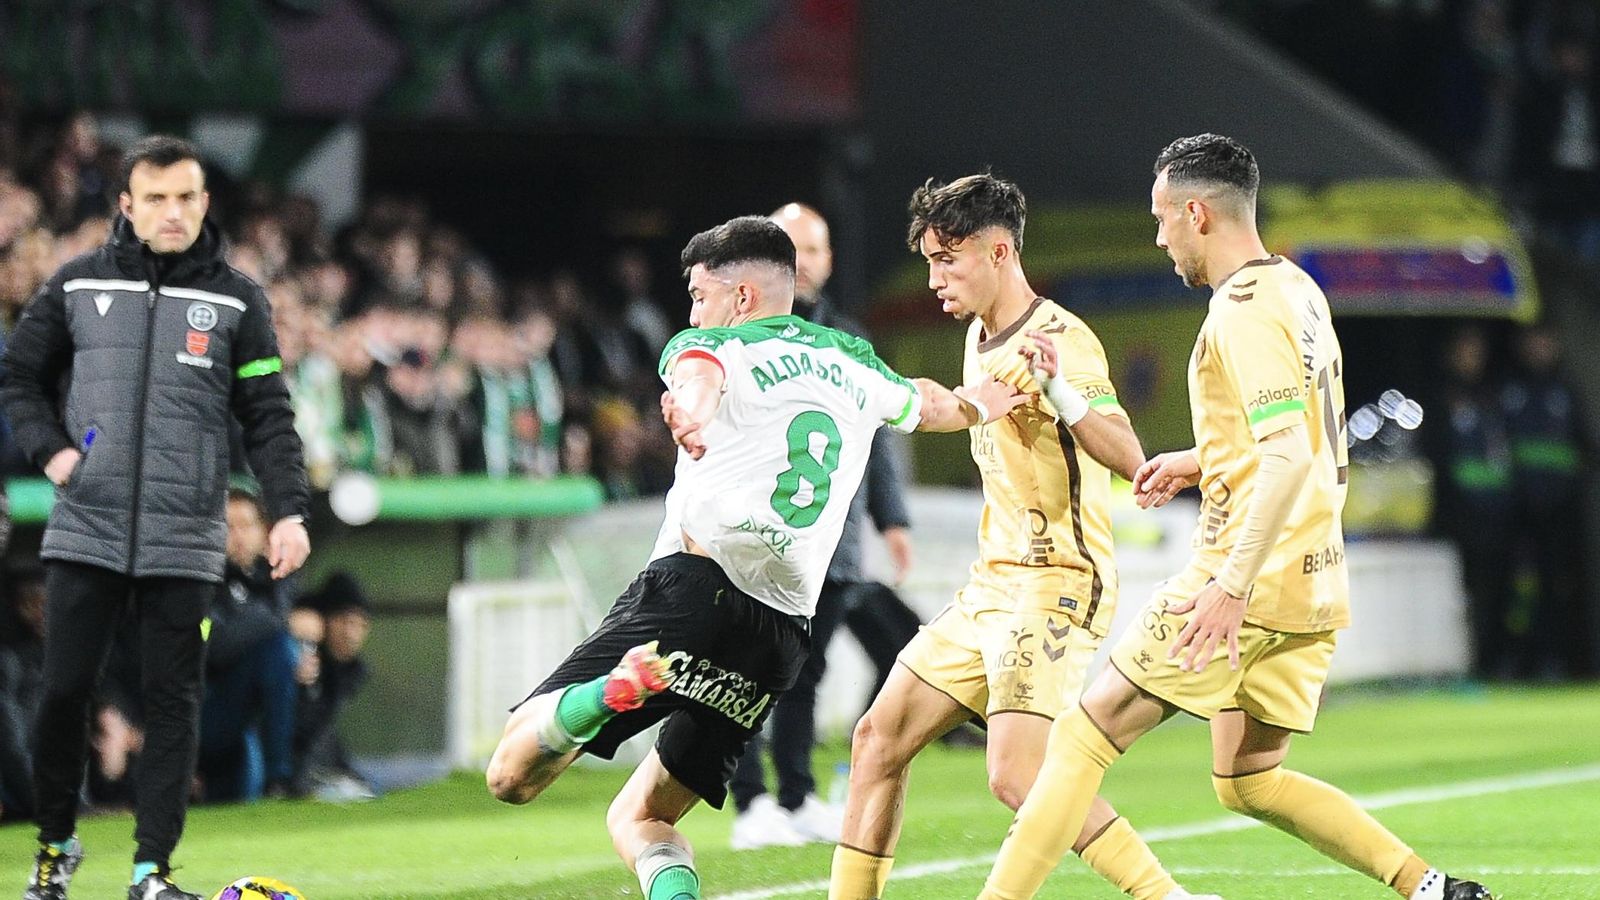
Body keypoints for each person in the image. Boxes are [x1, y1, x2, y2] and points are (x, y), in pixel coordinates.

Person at [976, 134, 1493, 900]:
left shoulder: (1241, 311)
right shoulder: (1298, 288)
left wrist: (1231, 585)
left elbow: (1286, 455)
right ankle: (1430, 888)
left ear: (1197, 214)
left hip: (1245, 576)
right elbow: (1297, 432)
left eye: (1162, 219)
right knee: (1249, 777)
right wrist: (1203, 458)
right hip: (1314, 582)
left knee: (1080, 738)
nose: (1159, 238)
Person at [482, 215, 1025, 900]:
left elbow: (699, 377)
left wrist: (691, 411)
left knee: (511, 773)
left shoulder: (712, 345)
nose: (693, 312)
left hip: (695, 588)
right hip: (778, 636)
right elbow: (933, 404)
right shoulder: (854, 360)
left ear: (741, 297)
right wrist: (987, 402)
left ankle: (608, 693)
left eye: (699, 295)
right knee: (644, 817)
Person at [831, 174, 1207, 900]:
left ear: (999, 252)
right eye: (930, 262)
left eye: (948, 260)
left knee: (1017, 776)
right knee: (878, 740)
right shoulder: (978, 335)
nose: (934, 279)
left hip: (1058, 581)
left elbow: (1128, 453)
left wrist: (1060, 392)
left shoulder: (1060, 339)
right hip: (992, 585)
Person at [0, 135, 311, 900]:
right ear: (127, 205)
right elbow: (18, 377)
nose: (172, 212)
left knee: (175, 704)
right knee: (63, 693)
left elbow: (269, 417)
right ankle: (55, 847)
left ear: (204, 203)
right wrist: (53, 453)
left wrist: (288, 511)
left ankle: (151, 873)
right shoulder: (77, 283)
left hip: (186, 537)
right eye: (156, 198)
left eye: (185, 198)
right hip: (86, 529)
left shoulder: (238, 300)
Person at [728, 203, 926, 850]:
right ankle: (751, 802)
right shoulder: (741, 337)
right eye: (790, 248)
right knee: (747, 672)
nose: (803, 262)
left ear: (830, 259)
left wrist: (891, 521)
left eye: (812, 249)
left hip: (834, 544)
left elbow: (878, 437)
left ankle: (795, 795)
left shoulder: (847, 338)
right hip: (761, 539)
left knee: (803, 675)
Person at [196, 486, 302, 802]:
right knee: (279, 647)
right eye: (228, 526)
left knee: (283, 653)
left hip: (248, 713)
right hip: (204, 709)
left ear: (263, 531)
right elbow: (212, 643)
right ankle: (279, 776)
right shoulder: (200, 582)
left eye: (246, 525)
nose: (238, 535)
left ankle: (284, 778)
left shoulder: (275, 577)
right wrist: (280, 621)